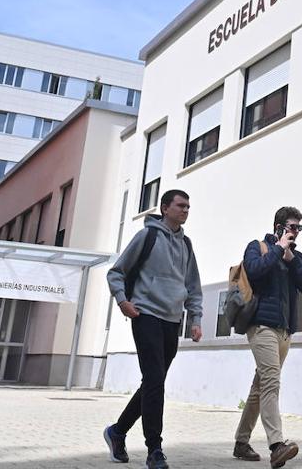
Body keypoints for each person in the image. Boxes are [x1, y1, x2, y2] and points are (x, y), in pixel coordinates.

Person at [104, 189, 202, 469]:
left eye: (188, 206)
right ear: (165, 208)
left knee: (152, 382)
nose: (185, 210)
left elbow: (193, 285)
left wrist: (195, 319)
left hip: (172, 320)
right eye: (181, 205)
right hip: (145, 313)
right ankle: (154, 450)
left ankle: (117, 431)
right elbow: (116, 272)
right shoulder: (147, 236)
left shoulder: (187, 245)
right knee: (155, 381)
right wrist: (123, 301)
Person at [233, 206, 302, 467]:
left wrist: (292, 259)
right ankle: (277, 445)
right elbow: (254, 271)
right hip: (261, 327)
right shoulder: (258, 247)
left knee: (260, 387)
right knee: (271, 382)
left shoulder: (296, 257)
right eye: (292, 227)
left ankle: (241, 442)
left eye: (298, 228)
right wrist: (279, 248)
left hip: (284, 331)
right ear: (278, 227)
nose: (296, 232)